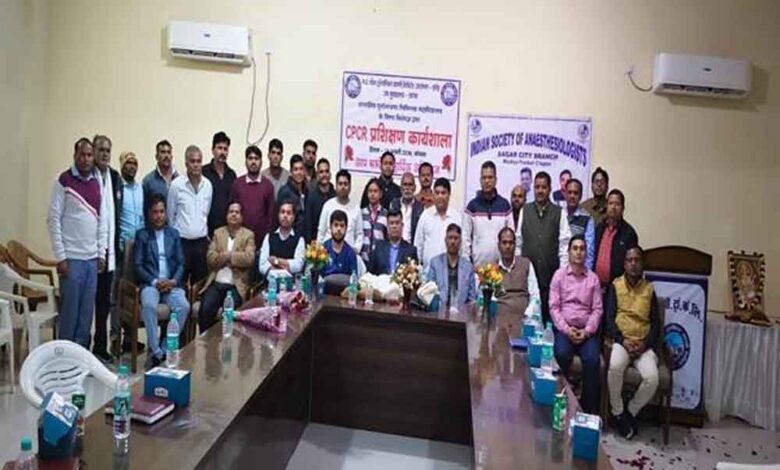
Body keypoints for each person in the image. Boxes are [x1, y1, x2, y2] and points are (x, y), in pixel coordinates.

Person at [47, 138, 108, 348]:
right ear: (75, 155)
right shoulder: (63, 181)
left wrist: (101, 253)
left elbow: (102, 220)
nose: (86, 159)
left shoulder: (96, 182)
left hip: (92, 260)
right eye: (82, 154)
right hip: (71, 260)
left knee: (86, 317)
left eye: (89, 155)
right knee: (69, 315)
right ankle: (64, 360)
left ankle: (81, 360)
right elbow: (53, 219)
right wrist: (61, 257)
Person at [605, 245, 660, 440]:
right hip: (622, 341)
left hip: (643, 345)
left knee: (652, 378)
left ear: (642, 264)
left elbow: (656, 325)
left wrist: (644, 344)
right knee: (615, 366)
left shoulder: (649, 289)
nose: (634, 264)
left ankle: (629, 412)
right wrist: (622, 340)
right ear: (624, 264)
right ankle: (617, 411)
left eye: (637, 260)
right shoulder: (615, 286)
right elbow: (609, 319)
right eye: (630, 260)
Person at [133, 194, 190, 370]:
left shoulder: (173, 234)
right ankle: (156, 351)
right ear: (149, 214)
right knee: (149, 306)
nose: (159, 216)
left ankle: (165, 348)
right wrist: (155, 281)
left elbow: (181, 263)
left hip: (171, 284)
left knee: (184, 306)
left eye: (162, 211)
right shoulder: (142, 235)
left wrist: (173, 281)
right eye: (155, 212)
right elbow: (138, 265)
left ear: (166, 213)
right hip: (151, 284)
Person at [549, 235, 603, 414]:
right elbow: (554, 307)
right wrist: (566, 330)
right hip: (565, 329)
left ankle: (586, 411)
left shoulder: (593, 279)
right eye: (575, 248)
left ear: (586, 253)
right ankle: (559, 402)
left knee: (593, 360)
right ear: (569, 252)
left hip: (586, 332)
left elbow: (597, 310)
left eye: (582, 249)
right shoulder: (559, 276)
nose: (579, 252)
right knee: (561, 354)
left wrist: (586, 332)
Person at [518, 171, 571, 324]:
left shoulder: (559, 213)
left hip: (551, 280)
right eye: (537, 187)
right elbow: (519, 242)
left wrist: (562, 276)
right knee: (528, 323)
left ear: (549, 189)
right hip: (528, 281)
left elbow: (564, 246)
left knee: (548, 325)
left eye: (544, 187)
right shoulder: (525, 211)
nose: (540, 191)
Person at [200, 202, 256, 334]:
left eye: (237, 212)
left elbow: (249, 258)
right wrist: (225, 258)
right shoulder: (218, 233)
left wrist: (229, 256)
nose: (234, 215)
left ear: (242, 217)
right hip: (217, 283)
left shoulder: (248, 235)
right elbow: (210, 258)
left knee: (228, 313)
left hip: (235, 286)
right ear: (226, 215)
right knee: (205, 309)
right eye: (231, 212)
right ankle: (206, 342)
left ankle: (225, 343)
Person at [92, 135, 121, 363]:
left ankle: (100, 347)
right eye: (100, 149)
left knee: (103, 303)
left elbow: (114, 215)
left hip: (109, 250)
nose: (104, 154)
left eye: (107, 150)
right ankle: (80, 347)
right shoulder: (87, 176)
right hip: (89, 251)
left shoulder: (114, 177)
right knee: (86, 304)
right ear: (93, 151)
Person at [167, 145, 213, 286]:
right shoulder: (176, 185)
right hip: (182, 243)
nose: (196, 165)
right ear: (186, 163)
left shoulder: (208, 185)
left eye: (199, 161)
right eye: (192, 161)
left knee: (199, 285)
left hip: (201, 243)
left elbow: (206, 213)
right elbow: (170, 215)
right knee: (180, 283)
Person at [116, 151, 146, 354]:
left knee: (135, 294)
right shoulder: (118, 188)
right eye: (128, 163)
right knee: (121, 294)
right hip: (123, 246)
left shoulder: (140, 188)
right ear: (122, 166)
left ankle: (130, 339)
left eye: (134, 163)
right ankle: (116, 338)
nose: (132, 167)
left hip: (139, 246)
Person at [463, 161, 512, 267]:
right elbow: (465, 239)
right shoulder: (472, 206)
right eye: (484, 178)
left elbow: (511, 238)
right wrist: (467, 265)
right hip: (477, 269)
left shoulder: (505, 206)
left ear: (495, 180)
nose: (487, 181)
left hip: (501, 269)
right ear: (480, 180)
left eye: (490, 177)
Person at [495, 227, 540, 335]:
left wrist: (527, 316)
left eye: (511, 243)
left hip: (524, 321)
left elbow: (535, 296)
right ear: (498, 245)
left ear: (515, 245)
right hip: (499, 324)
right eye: (504, 243)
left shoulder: (526, 264)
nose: (508, 246)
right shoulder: (491, 269)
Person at [230, 145, 276, 248]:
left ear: (261, 162)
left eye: (256, 159)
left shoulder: (268, 185)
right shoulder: (237, 184)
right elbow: (232, 214)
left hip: (262, 243)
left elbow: (271, 216)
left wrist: (267, 240)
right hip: (240, 241)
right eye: (250, 158)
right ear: (246, 161)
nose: (253, 162)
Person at [594, 189, 638, 288]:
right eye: (611, 203)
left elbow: (632, 264)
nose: (613, 207)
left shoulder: (629, 233)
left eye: (617, 204)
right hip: (596, 285)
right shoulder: (599, 228)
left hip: (617, 288)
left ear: (623, 208)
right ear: (606, 206)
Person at [414, 178, 462, 267]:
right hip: (428, 270)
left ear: (449, 195)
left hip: (450, 270)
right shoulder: (425, 215)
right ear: (433, 195)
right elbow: (418, 245)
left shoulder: (457, 218)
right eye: (437, 193)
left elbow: (462, 247)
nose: (440, 196)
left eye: (443, 193)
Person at [427, 224, 477, 307]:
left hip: (461, 311)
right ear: (445, 240)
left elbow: (472, 298)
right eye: (450, 238)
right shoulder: (435, 263)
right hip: (438, 310)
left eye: (456, 238)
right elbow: (429, 292)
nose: (453, 241)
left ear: (460, 241)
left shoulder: (468, 267)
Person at [317, 169, 363, 250]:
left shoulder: (356, 208)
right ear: (336, 186)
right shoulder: (328, 205)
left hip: (348, 254)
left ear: (350, 186)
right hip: (327, 253)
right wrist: (320, 252)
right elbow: (321, 232)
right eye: (340, 184)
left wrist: (355, 250)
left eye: (345, 184)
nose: (343, 187)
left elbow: (359, 234)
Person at [202, 131, 236, 237]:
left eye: (225, 149)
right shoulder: (204, 172)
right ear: (213, 150)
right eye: (219, 148)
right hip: (207, 231)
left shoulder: (232, 175)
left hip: (227, 231)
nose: (222, 152)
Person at [258, 201, 305, 277]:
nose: (285, 215)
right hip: (270, 281)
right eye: (282, 212)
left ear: (293, 217)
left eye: (288, 213)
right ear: (278, 215)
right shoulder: (269, 237)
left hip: (292, 283)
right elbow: (262, 265)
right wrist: (283, 270)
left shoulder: (299, 239)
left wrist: (276, 261)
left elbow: (298, 265)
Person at [367, 209, 417, 275]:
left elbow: (414, 276)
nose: (394, 226)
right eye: (391, 223)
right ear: (387, 226)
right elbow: (369, 274)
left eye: (397, 223)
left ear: (402, 226)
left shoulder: (411, 250)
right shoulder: (379, 248)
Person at [565, 178, 595, 270]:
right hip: (559, 271)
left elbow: (589, 252)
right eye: (569, 192)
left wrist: (585, 275)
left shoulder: (587, 219)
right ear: (565, 194)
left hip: (578, 272)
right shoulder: (558, 214)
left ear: (581, 196)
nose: (572, 196)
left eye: (575, 193)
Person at [142, 140, 178, 214]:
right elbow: (145, 210)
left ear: (171, 156)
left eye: (168, 152)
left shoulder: (179, 180)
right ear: (156, 157)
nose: (166, 156)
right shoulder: (148, 181)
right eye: (163, 152)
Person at [303, 158, 335, 243]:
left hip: (332, 243)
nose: (324, 175)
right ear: (317, 175)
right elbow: (308, 223)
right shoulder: (311, 196)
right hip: (314, 244)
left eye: (326, 171)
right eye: (321, 172)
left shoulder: (335, 196)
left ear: (330, 174)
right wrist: (309, 242)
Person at [276, 154, 308, 237]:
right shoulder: (285, 191)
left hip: (305, 238)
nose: (299, 172)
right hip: (290, 238)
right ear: (291, 171)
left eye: (301, 169)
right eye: (296, 169)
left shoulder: (307, 190)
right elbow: (280, 218)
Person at [321, 210, 358, 278]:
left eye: (342, 226)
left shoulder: (351, 253)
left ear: (346, 228)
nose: (339, 229)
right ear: (330, 227)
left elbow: (354, 280)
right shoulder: (322, 249)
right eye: (336, 225)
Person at [389, 172, 424, 244]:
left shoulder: (420, 208)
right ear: (401, 188)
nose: (407, 188)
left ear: (415, 188)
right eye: (405, 184)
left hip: (412, 247)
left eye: (410, 185)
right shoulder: (394, 204)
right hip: (396, 245)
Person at [359, 178, 388, 263]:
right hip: (363, 259)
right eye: (370, 191)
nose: (372, 194)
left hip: (380, 260)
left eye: (375, 191)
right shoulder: (361, 213)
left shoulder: (386, 214)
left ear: (380, 194)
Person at [510, 184, 526, 256]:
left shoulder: (529, 218)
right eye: (514, 196)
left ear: (525, 200)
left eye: (520, 196)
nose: (516, 199)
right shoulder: (506, 216)